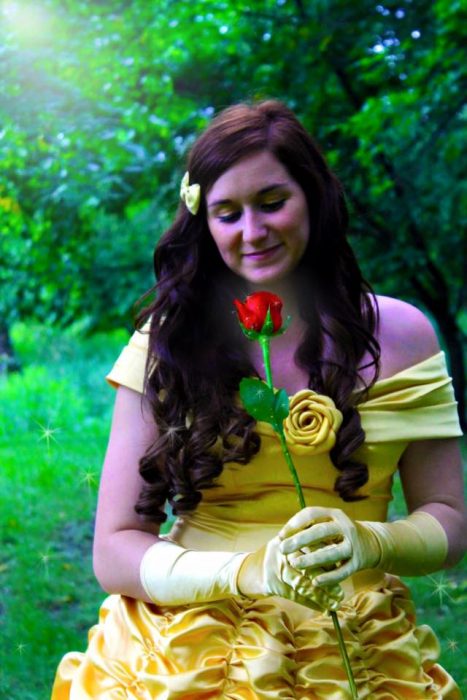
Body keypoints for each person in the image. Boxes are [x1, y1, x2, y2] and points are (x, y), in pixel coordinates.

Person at [51, 101, 465, 699]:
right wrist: (245, 572)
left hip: (353, 645)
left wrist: (372, 541)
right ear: (205, 222)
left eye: (272, 202)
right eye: (227, 213)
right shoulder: (172, 339)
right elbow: (114, 549)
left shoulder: (403, 335)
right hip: (188, 644)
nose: (252, 231)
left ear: (314, 197)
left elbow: (450, 521)